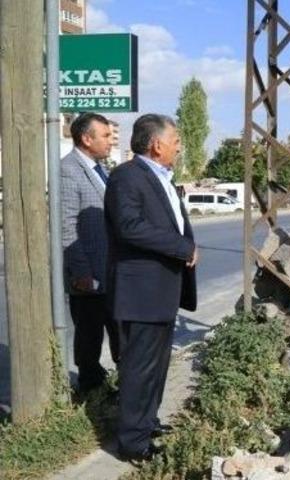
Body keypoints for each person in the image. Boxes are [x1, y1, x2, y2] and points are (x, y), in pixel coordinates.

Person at [105, 114, 199, 462]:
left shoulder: (161, 178)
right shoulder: (126, 177)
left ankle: (146, 423)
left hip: (160, 291)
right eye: (175, 139)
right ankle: (132, 443)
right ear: (157, 144)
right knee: (139, 368)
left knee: (157, 368)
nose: (179, 146)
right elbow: (130, 226)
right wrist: (182, 248)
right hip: (139, 294)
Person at [61, 112, 121, 394]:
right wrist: (81, 272)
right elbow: (66, 226)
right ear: (87, 139)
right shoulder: (69, 170)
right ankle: (90, 398)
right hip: (89, 278)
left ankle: (117, 393)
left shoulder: (99, 168)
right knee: (89, 342)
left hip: (110, 274)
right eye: (106, 136)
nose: (111, 141)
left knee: (120, 335)